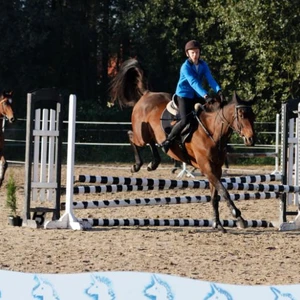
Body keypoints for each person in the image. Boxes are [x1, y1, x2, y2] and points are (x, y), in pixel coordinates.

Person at [158, 40, 224, 153]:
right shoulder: (185, 67)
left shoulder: (203, 65)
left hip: (196, 95)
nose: (195, 55)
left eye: (197, 52)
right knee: (184, 120)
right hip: (184, 95)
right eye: (192, 53)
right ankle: (168, 141)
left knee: (211, 113)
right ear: (187, 54)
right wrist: (205, 95)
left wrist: (219, 90)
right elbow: (193, 82)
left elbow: (210, 79)